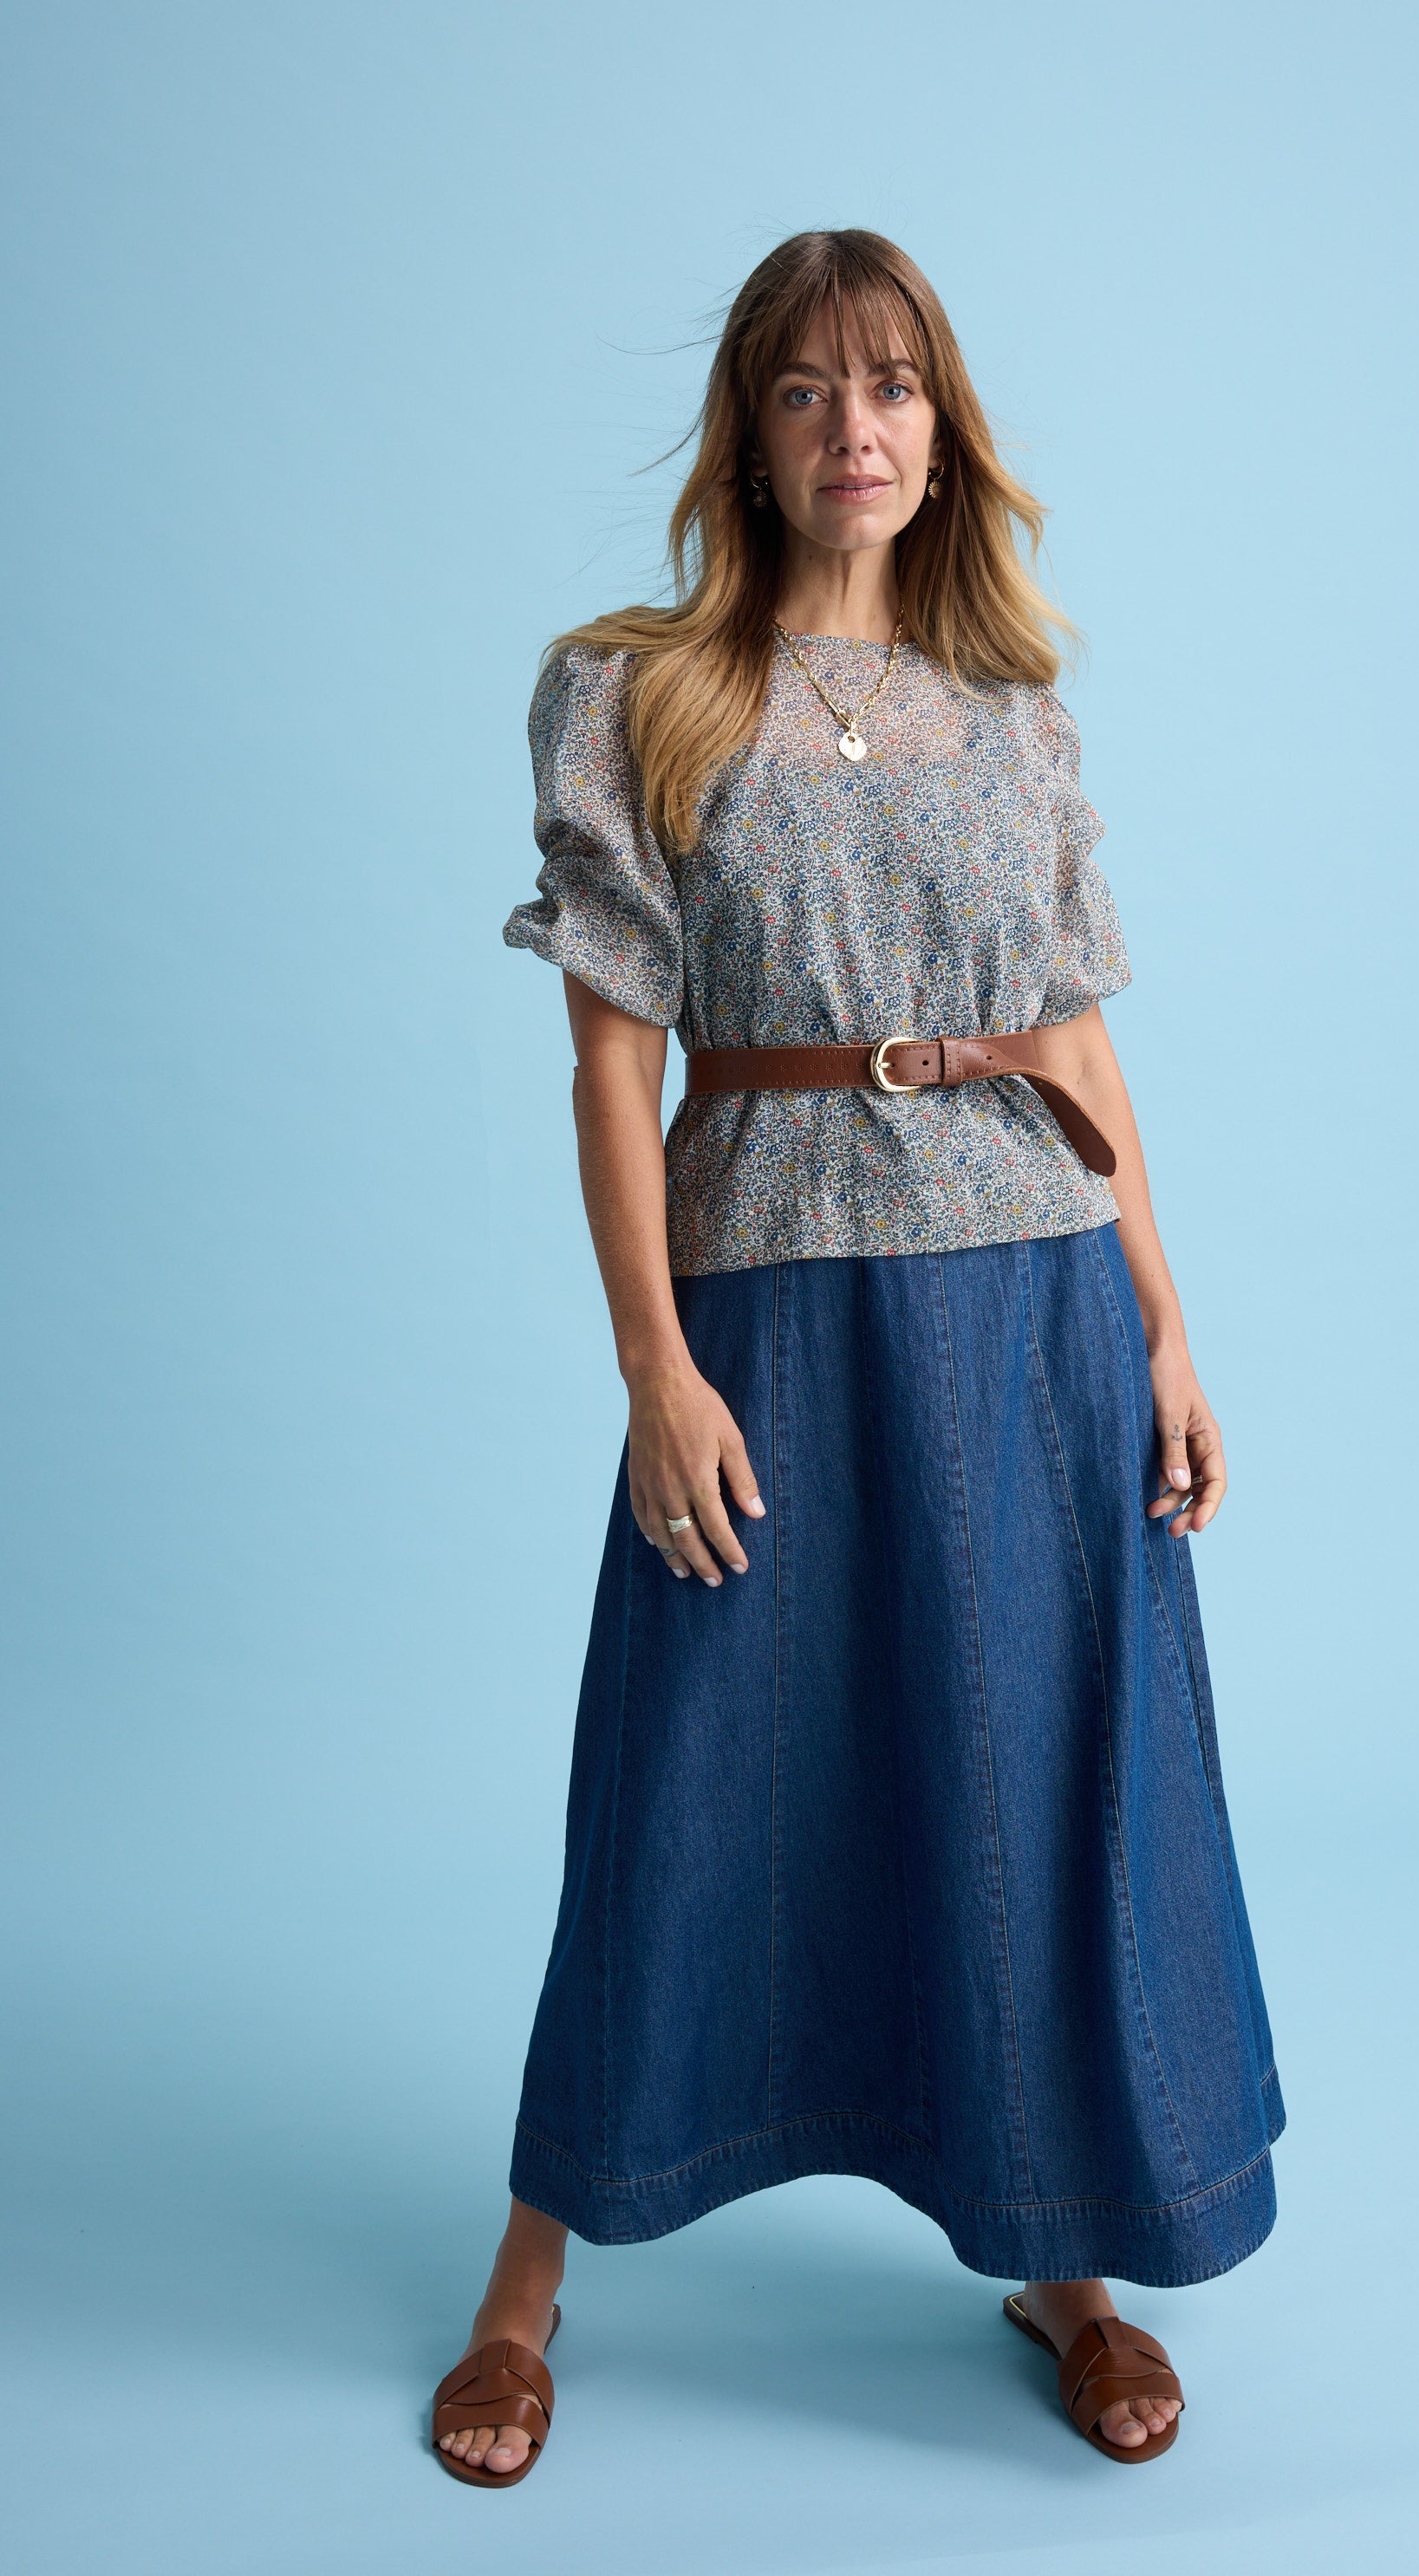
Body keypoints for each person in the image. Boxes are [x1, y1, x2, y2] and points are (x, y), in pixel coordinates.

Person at [432, 228, 1284, 2487]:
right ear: (750, 429)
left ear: (944, 424)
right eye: (808, 390)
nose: (857, 428)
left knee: (1019, 1774)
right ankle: (529, 2282)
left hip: (1034, 1296)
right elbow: (619, 1068)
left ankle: (1058, 2258)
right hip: (772, 1292)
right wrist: (652, 1370)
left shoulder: (1017, 703)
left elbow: (1073, 1029)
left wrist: (1168, 1329)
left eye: (893, 385)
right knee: (683, 1774)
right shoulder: (638, 694)